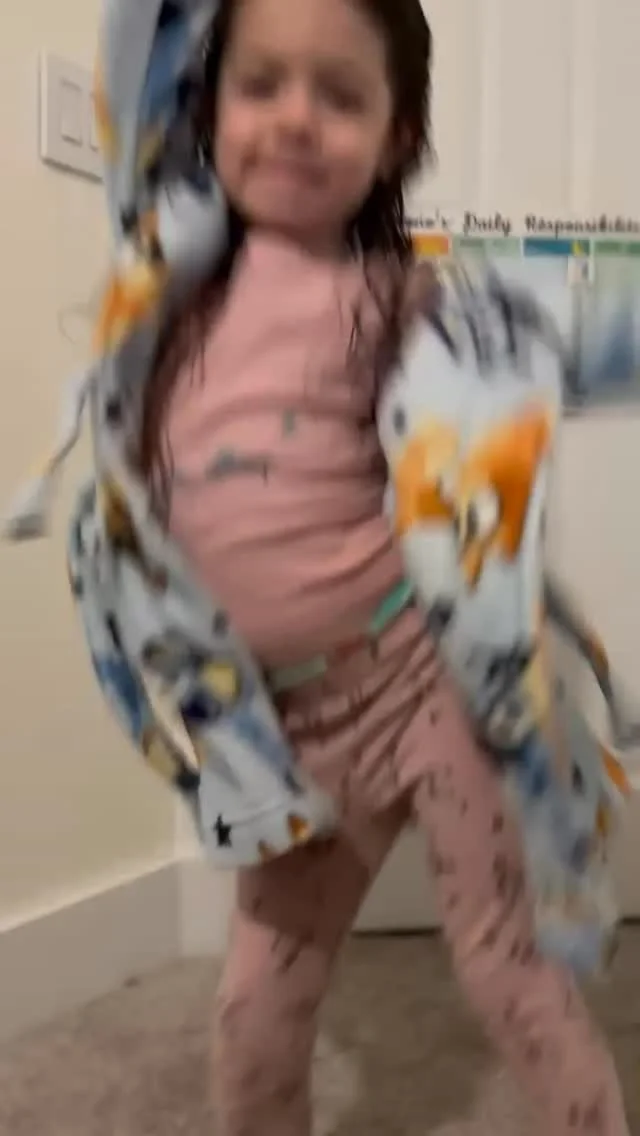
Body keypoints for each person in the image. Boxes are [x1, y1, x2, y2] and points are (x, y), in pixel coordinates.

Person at [136, 0, 629, 1131]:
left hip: (428, 687)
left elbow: (566, 335)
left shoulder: (396, 301)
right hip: (293, 735)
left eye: (340, 95)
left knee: (508, 966)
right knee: (255, 1010)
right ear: (207, 111)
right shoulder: (165, 309)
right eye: (261, 84)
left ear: (395, 137)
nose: (295, 118)